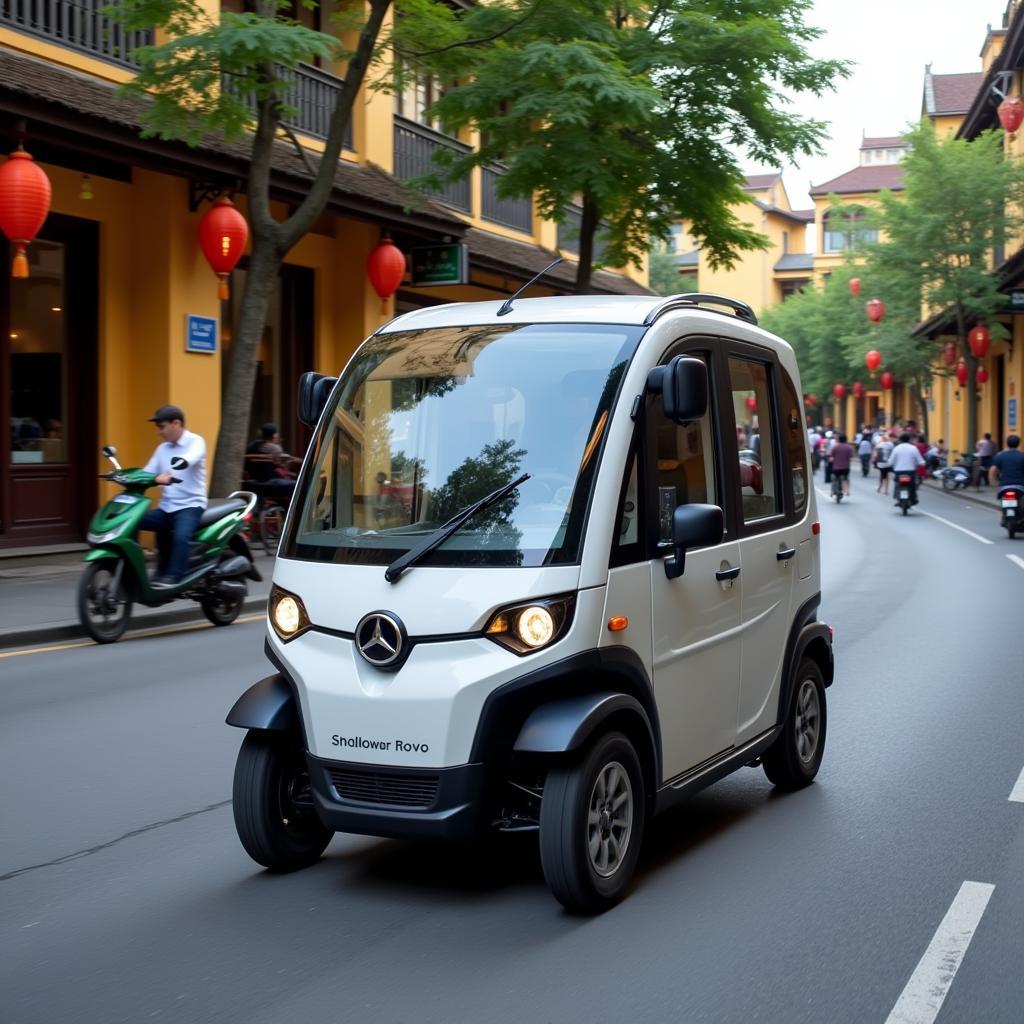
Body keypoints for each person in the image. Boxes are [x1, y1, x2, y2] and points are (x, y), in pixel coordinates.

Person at [141, 405, 207, 587]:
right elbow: (148, 472)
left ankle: (174, 577)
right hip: (167, 506)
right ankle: (148, 570)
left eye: (161, 427)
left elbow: (191, 457)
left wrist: (176, 468)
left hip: (191, 505)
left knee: (180, 537)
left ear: (176, 424)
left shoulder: (196, 441)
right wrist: (127, 477)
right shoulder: (162, 448)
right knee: (134, 520)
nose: (159, 432)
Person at [888, 432, 925, 505]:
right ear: (909, 439)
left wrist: (890, 465)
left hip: (899, 472)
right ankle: (913, 498)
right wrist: (922, 463)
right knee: (912, 486)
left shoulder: (896, 448)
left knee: (897, 483)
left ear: (900, 440)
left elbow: (890, 461)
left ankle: (897, 497)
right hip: (910, 472)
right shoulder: (913, 448)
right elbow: (920, 460)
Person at [829, 432, 855, 497]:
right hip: (846, 467)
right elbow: (851, 456)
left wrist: (832, 459)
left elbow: (831, 455)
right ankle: (847, 490)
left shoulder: (835, 447)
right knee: (846, 478)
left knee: (834, 478)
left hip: (836, 467)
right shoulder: (849, 447)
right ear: (846, 439)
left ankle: (832, 491)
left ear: (839, 439)